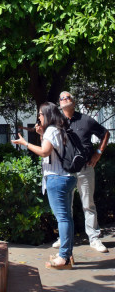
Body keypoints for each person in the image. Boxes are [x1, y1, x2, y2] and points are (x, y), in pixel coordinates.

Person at [13, 102, 76, 270]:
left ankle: (64, 257)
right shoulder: (60, 129)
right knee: (67, 217)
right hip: (68, 177)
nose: (38, 117)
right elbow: (51, 150)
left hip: (57, 178)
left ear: (47, 114)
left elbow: (44, 152)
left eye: (40, 114)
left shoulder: (52, 130)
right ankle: (67, 254)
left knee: (62, 217)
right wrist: (41, 135)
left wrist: (25, 144)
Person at [52, 91, 110, 253]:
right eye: (61, 98)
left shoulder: (86, 120)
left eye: (67, 97)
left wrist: (98, 153)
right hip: (65, 171)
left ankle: (94, 238)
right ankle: (64, 238)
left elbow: (105, 133)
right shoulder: (58, 122)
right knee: (65, 206)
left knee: (88, 204)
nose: (64, 99)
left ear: (73, 101)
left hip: (85, 168)